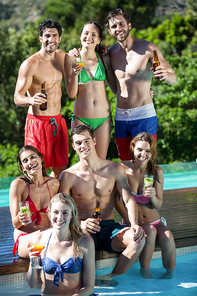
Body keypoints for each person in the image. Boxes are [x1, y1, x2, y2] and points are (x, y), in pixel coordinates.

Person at [59, 124, 145, 283]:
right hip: (83, 229)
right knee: (81, 242)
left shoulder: (114, 168)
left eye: (86, 141)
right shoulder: (68, 176)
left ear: (94, 140)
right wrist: (80, 224)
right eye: (78, 143)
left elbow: (128, 198)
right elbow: (61, 211)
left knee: (138, 239)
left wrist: (133, 223)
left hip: (109, 228)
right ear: (73, 146)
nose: (83, 146)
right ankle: (88, 281)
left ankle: (111, 277)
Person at [105, 8, 177, 161]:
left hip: (144, 115)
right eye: (114, 26)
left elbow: (173, 77)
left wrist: (166, 76)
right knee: (126, 163)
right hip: (121, 117)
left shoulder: (147, 48)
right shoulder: (111, 52)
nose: (118, 29)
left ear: (129, 25)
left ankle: (149, 186)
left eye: (121, 24)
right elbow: (114, 88)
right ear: (110, 31)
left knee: (146, 163)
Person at [14, 19, 69, 178]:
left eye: (54, 36)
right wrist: (29, 100)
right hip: (37, 123)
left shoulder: (61, 57)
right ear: (40, 38)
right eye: (47, 36)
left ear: (59, 39)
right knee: (37, 171)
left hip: (57, 122)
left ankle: (58, 203)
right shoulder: (30, 64)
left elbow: (85, 53)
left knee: (61, 171)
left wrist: (102, 50)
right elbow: (17, 96)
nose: (50, 40)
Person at [119, 132, 176, 279]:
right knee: (149, 232)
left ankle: (171, 275)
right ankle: (145, 272)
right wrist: (128, 220)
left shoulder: (156, 171)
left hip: (154, 219)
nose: (143, 154)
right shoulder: (123, 168)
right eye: (139, 149)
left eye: (148, 151)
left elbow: (158, 204)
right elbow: (116, 199)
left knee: (168, 237)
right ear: (132, 148)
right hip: (136, 222)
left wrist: (152, 197)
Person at [26, 193, 96, 296]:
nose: (60, 217)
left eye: (65, 212)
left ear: (72, 214)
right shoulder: (40, 239)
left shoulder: (84, 242)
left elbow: (89, 287)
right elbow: (32, 284)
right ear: (49, 213)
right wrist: (33, 263)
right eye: (56, 212)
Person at [65, 21, 117, 159]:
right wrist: (75, 74)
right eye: (86, 33)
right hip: (81, 118)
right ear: (80, 36)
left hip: (103, 119)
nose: (89, 37)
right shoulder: (71, 58)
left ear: (99, 40)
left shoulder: (104, 57)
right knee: (85, 163)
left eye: (94, 34)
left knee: (100, 162)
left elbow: (115, 86)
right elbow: (71, 94)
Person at [9, 145, 60, 258]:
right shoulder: (18, 185)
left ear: (40, 158)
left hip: (49, 237)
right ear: (23, 167)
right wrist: (20, 218)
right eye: (25, 161)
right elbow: (15, 223)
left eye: (33, 157)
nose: (30, 162)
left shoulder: (54, 184)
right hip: (26, 238)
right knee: (53, 244)